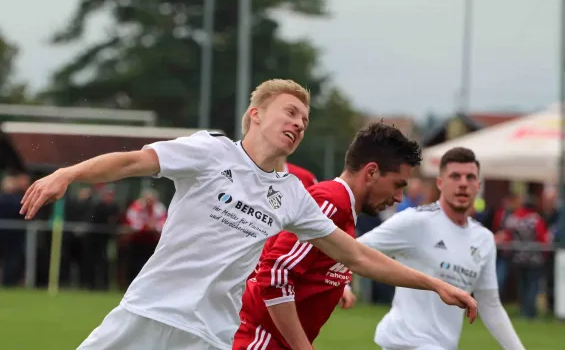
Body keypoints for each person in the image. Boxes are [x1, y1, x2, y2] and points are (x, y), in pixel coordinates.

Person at [20, 79, 477, 350]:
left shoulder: (294, 195)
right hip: (149, 312)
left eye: (305, 120)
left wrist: (435, 283)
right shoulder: (210, 151)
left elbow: (357, 257)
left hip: (210, 336)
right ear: (254, 115)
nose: (299, 123)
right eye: (291, 112)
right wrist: (68, 173)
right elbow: (131, 161)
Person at [233, 122, 420, 350]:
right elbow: (275, 273)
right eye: (397, 185)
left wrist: (438, 286)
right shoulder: (331, 202)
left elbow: (361, 259)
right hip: (259, 338)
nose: (400, 197)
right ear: (371, 172)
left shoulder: (341, 207)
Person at [358, 147, 525, 350]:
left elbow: (490, 304)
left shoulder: (484, 239)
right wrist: (343, 285)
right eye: (455, 176)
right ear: (440, 183)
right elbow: (355, 250)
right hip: (405, 342)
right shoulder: (416, 221)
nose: (463, 183)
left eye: (470, 177)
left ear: (477, 186)